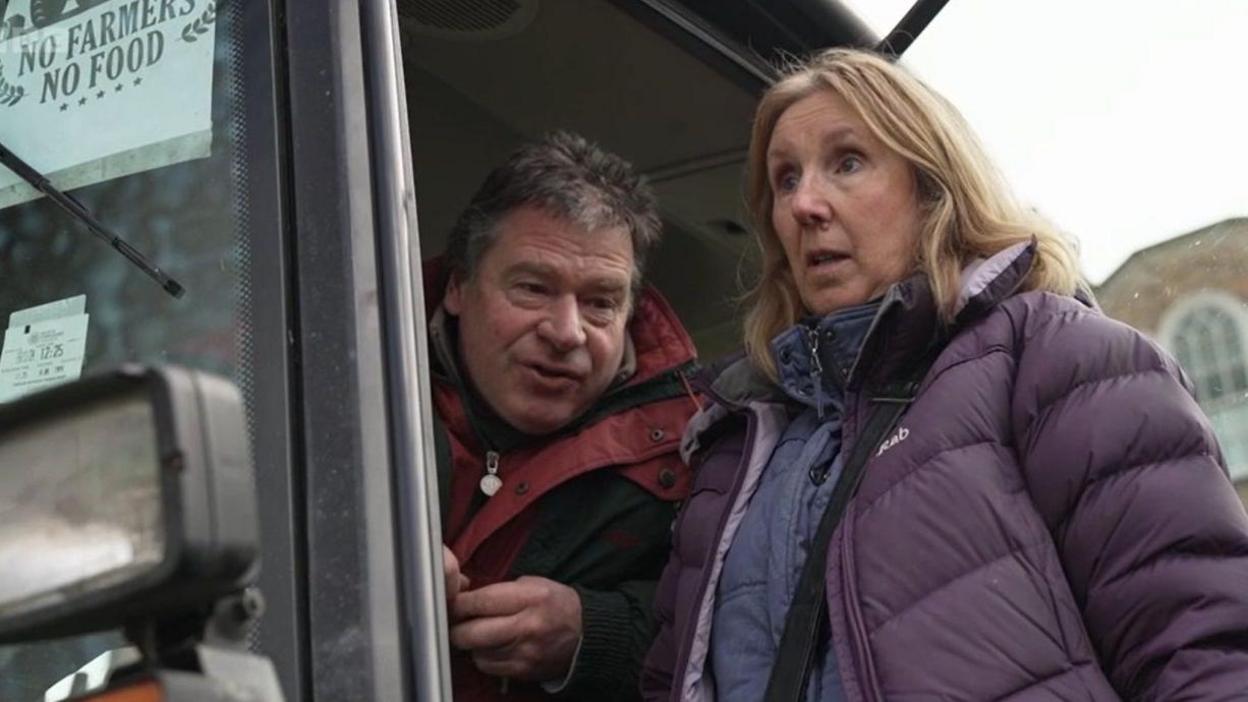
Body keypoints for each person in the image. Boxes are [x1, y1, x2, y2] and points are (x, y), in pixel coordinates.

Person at [642, 48, 1248, 701]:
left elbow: (1201, 648)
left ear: (934, 187)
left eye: (846, 162)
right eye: (785, 179)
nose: (804, 204)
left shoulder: (1058, 358)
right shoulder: (735, 441)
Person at [427, 131, 701, 701]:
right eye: (532, 288)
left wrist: (593, 636)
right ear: (458, 285)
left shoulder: (700, 450)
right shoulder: (329, 371)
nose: (566, 332)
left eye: (600, 301)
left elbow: (733, 631)